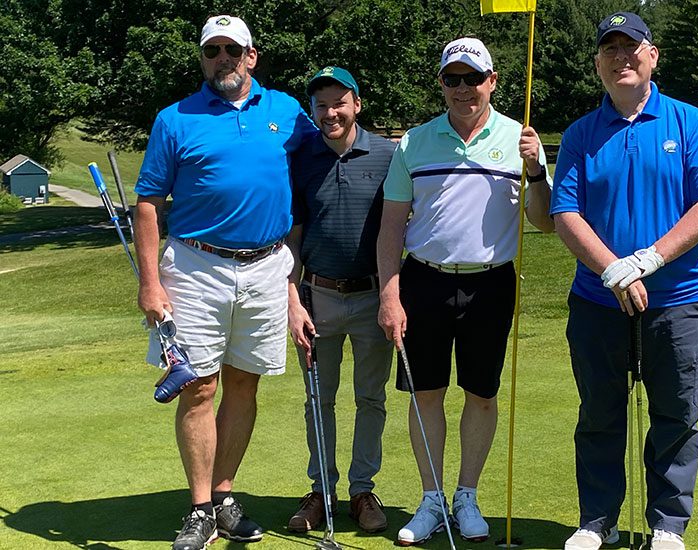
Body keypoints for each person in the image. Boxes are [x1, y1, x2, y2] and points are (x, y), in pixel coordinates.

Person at [550, 12, 698, 550]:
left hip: (678, 300)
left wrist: (648, 259)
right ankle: (597, 520)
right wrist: (612, 269)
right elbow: (565, 213)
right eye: (610, 49)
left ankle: (667, 526)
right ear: (598, 64)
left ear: (652, 56)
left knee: (676, 416)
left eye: (631, 47)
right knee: (599, 415)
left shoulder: (688, 122)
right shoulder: (581, 134)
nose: (621, 57)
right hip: (598, 301)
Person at [133, 15, 315, 550]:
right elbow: (148, 203)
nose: (222, 59)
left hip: (266, 266)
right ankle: (199, 510)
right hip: (195, 266)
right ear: (203, 58)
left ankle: (223, 497)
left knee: (243, 384)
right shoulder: (174, 119)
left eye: (232, 50)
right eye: (212, 51)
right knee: (198, 386)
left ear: (251, 55)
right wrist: (150, 283)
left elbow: (326, 156)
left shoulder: (286, 111)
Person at [376, 37, 554, 545]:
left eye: (473, 78)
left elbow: (544, 221)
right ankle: (431, 499)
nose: (463, 88)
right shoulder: (415, 142)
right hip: (424, 280)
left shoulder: (520, 139)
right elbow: (391, 228)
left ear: (491, 82)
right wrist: (390, 294)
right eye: (452, 79)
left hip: (491, 283)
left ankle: (467, 496)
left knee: (481, 394)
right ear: (441, 84)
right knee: (425, 393)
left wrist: (535, 170)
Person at [285, 66, 395, 534]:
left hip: (373, 296)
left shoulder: (388, 155)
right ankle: (321, 491)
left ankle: (362, 490)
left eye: (339, 103)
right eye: (321, 105)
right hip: (317, 297)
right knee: (318, 399)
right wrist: (292, 300)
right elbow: (292, 238)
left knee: (370, 397)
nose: (330, 113)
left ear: (357, 105)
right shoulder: (301, 158)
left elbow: (401, 228)